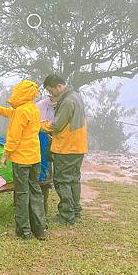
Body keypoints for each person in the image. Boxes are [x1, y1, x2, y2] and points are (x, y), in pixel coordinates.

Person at [0, 80, 47, 240]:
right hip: (35, 158)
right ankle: (40, 229)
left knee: (22, 194)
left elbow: (14, 137)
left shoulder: (21, 111)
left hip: (21, 160)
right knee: (35, 191)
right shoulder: (32, 108)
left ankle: (24, 231)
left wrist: (5, 154)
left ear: (20, 93)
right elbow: (6, 111)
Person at [41, 74, 88, 225]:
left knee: (62, 180)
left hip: (67, 147)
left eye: (51, 90)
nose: (50, 94)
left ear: (59, 87)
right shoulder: (76, 96)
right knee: (74, 179)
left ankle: (66, 215)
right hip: (78, 146)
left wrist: (41, 124)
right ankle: (75, 211)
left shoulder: (67, 101)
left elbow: (57, 126)